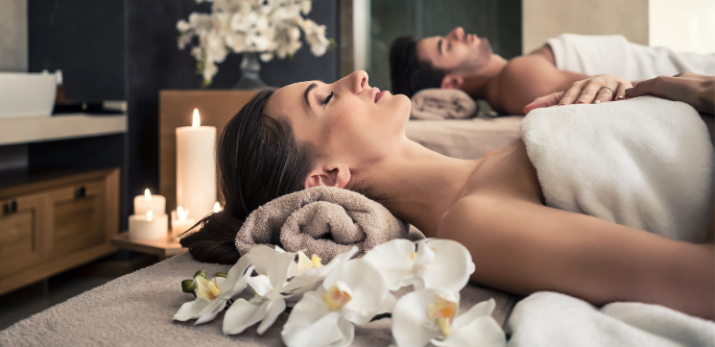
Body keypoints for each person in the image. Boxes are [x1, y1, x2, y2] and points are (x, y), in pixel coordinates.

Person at [182, 71, 715, 320]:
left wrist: (663, 91)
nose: (354, 76)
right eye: (325, 98)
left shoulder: (500, 159)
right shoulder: (473, 222)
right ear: (326, 178)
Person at [390, 28, 715, 115]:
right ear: (453, 83)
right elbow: (618, 96)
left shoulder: (519, 71)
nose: (458, 31)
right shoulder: (518, 79)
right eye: (447, 46)